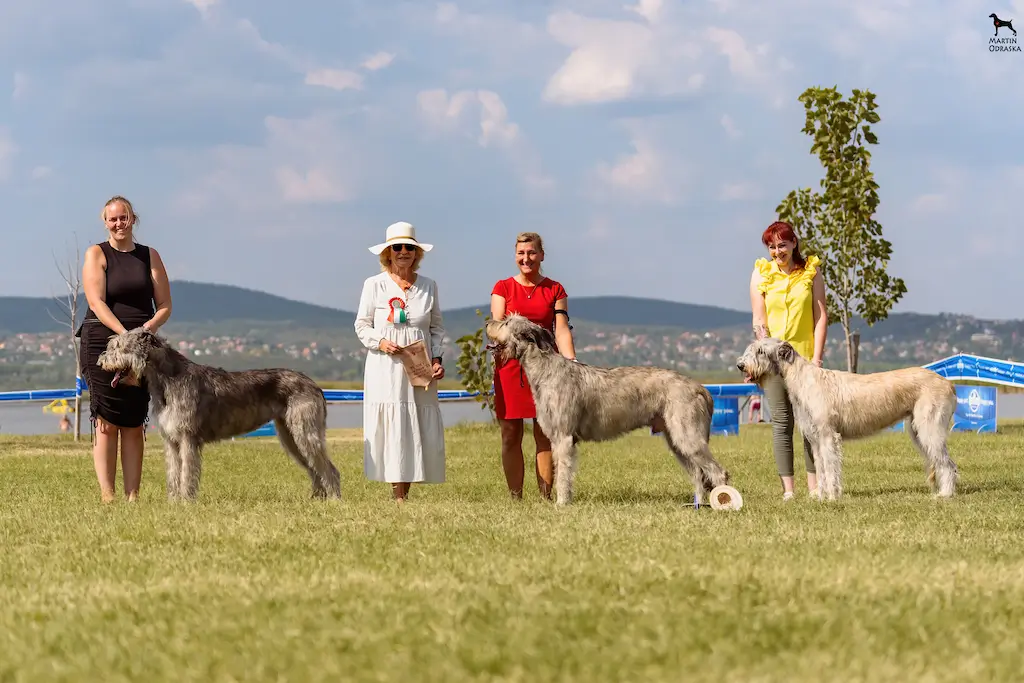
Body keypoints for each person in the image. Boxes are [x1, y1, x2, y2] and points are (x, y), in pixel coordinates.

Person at [78, 196, 172, 503]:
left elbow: (165, 306)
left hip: (142, 348)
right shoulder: (97, 254)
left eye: (124, 218)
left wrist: (145, 332)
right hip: (103, 342)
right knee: (106, 420)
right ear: (105, 222)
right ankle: (108, 495)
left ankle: (133, 496)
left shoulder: (150, 256)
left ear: (133, 219)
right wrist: (124, 334)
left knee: (134, 419)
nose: (119, 223)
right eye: (113, 219)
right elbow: (96, 302)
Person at [354, 221, 447, 503]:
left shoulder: (429, 286)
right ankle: (398, 496)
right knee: (394, 425)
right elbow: (362, 325)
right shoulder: (374, 285)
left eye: (409, 247)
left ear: (416, 253)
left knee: (414, 423)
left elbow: (436, 328)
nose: (404, 252)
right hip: (386, 367)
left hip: (419, 367)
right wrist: (380, 342)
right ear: (388, 253)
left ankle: (405, 491)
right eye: (398, 247)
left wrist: (437, 359)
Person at [490, 232, 577, 500]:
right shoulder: (502, 288)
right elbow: (496, 329)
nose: (526, 258)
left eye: (531, 253)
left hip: (547, 371)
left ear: (541, 255)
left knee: (546, 434)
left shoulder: (555, 289)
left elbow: (560, 330)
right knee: (510, 434)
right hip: (509, 368)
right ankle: (516, 497)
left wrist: (571, 362)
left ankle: (546, 497)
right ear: (515, 255)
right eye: (521, 253)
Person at [749, 220, 828, 501]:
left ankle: (815, 488)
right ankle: (789, 491)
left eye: (782, 244)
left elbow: (820, 318)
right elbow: (760, 321)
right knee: (782, 423)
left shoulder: (811, 272)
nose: (777, 251)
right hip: (772, 363)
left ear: (794, 243)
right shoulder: (761, 274)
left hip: (805, 361)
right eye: (772, 246)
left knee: (810, 423)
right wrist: (760, 358)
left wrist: (816, 358)